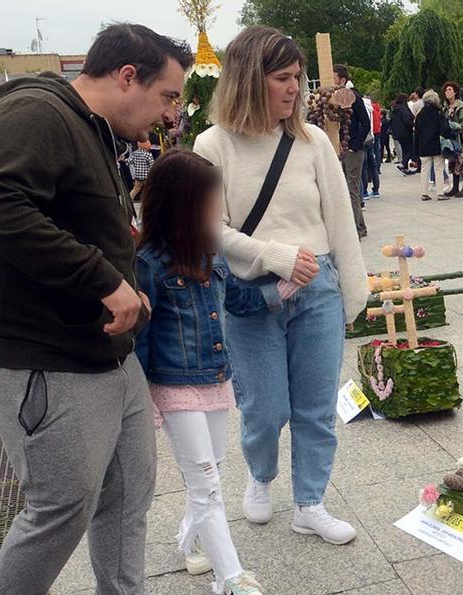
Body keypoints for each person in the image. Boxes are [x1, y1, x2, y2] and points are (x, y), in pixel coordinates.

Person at [0, 23, 210, 595]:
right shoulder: (36, 113)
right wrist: (103, 279)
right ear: (127, 77)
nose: (170, 112)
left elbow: (62, 210)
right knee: (64, 498)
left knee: (129, 486)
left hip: (105, 350)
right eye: (166, 95)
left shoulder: (92, 127)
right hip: (41, 352)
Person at [192, 26, 368, 544]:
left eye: (299, 78)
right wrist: (275, 255)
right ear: (250, 79)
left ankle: (311, 502)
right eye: (284, 78)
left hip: (317, 292)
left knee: (316, 409)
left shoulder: (312, 141)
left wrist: (353, 295)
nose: (297, 89)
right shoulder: (212, 144)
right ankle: (261, 475)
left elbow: (342, 221)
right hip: (252, 297)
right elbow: (207, 227)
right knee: (265, 409)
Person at [133, 150, 270, 595]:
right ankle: (232, 579)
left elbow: (242, 303)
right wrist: (143, 402)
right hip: (173, 387)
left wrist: (289, 286)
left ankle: (189, 540)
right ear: (185, 205)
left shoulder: (212, 256)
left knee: (213, 469)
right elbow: (141, 339)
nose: (220, 211)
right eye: (213, 202)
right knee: (207, 483)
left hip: (213, 380)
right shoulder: (150, 265)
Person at [332, 64, 370, 238]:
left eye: (334, 78)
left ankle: (356, 228)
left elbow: (365, 123)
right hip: (344, 148)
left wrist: (355, 144)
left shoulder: (353, 96)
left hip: (353, 149)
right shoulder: (336, 98)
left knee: (351, 189)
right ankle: (360, 227)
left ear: (342, 79)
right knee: (348, 188)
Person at [441, 81, 463, 199]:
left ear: (455, 92)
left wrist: (452, 125)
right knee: (454, 163)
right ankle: (455, 188)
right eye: (446, 90)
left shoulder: (460, 107)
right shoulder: (446, 107)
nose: (447, 92)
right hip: (452, 140)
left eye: (450, 90)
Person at [413, 89, 445, 201]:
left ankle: (424, 193)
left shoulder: (420, 114)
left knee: (425, 168)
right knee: (439, 168)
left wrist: (416, 148)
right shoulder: (438, 112)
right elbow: (444, 128)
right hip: (436, 144)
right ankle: (440, 192)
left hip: (423, 145)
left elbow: (416, 131)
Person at [390, 94, 416, 174]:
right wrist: (413, 125)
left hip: (398, 133)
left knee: (405, 149)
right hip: (406, 132)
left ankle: (405, 167)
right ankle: (403, 164)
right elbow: (407, 119)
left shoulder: (395, 110)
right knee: (410, 150)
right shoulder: (403, 109)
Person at [362, 95, 382, 199]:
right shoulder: (372, 109)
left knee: (364, 166)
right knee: (372, 164)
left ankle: (364, 191)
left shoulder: (361, 108)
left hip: (363, 138)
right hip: (371, 137)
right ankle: (376, 189)